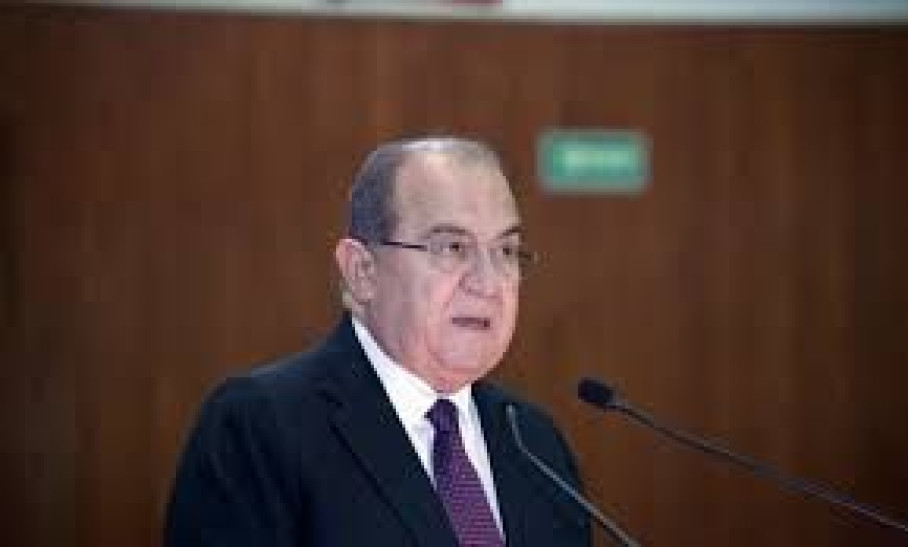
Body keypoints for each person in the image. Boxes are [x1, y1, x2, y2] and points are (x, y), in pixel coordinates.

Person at [165, 136, 592, 547]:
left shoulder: (535, 442)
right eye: (452, 247)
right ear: (362, 272)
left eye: (506, 251)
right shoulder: (259, 427)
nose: (488, 283)